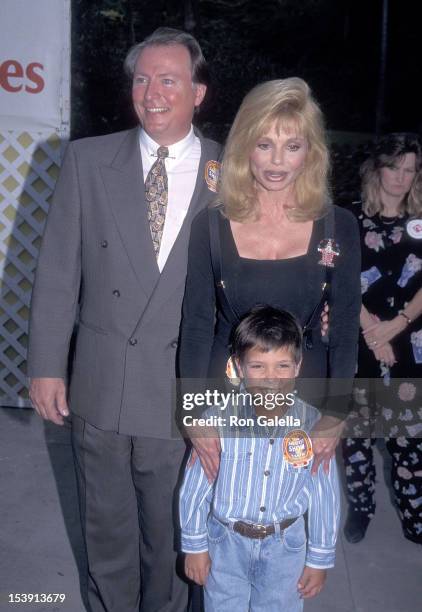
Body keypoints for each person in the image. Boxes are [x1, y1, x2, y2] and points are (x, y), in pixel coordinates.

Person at [27, 27, 221, 612]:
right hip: (102, 382)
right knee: (107, 532)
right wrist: (44, 366)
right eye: (142, 79)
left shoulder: (231, 169)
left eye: (169, 79)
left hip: (183, 388)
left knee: (174, 535)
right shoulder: (89, 159)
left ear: (198, 92)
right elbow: (60, 271)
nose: (152, 93)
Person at [178, 78, 361, 482]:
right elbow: (194, 328)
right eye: (264, 144)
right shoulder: (210, 227)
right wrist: (193, 412)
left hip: (307, 401)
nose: (277, 161)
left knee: (296, 523)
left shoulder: (339, 225)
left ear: (309, 152)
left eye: (292, 146)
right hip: (225, 395)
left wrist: (335, 414)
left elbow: (346, 329)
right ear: (245, 146)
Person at [179, 305, 340, 611]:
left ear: (298, 366)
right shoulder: (217, 420)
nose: (271, 378)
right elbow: (195, 487)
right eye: (258, 367)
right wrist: (195, 545)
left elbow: (324, 496)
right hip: (225, 544)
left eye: (282, 366)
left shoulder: (313, 426)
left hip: (285, 549)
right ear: (239, 367)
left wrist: (319, 558)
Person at [342, 133, 422, 545]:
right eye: (395, 167)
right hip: (361, 339)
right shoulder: (349, 218)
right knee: (356, 435)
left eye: (410, 169)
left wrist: (399, 323)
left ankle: (415, 512)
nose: (402, 177)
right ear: (378, 168)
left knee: (409, 437)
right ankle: (360, 509)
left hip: (410, 343)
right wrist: (374, 333)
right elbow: (338, 277)